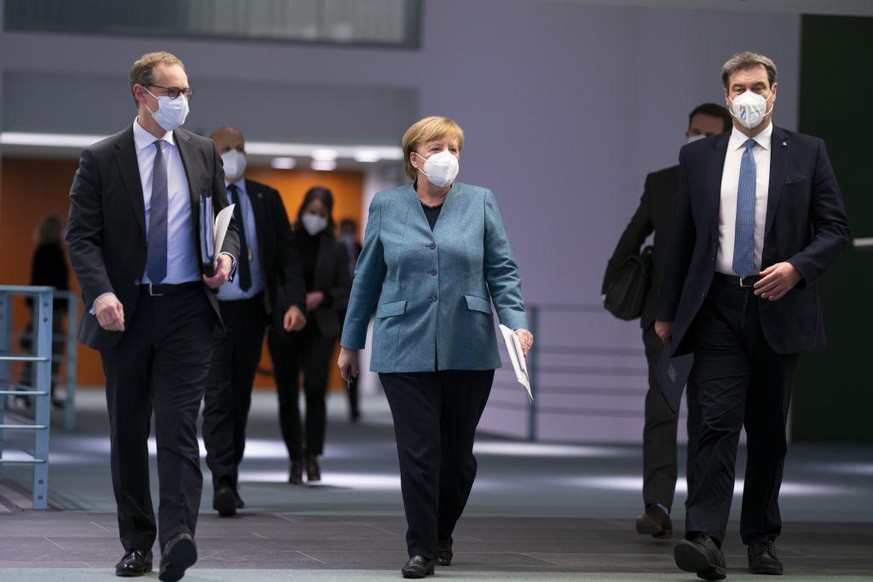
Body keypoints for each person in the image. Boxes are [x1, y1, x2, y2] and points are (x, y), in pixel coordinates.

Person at [655, 52, 850, 580]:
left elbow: (835, 228)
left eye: (757, 86)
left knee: (767, 433)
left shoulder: (807, 153)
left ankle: (761, 539)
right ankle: (704, 538)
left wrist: (797, 269)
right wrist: (666, 309)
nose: (748, 95)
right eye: (738, 87)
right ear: (726, 96)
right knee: (713, 424)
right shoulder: (698, 157)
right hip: (716, 305)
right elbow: (681, 236)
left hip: (778, 304)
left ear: (774, 92)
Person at [65, 51, 239, 582]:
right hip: (127, 314)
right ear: (141, 94)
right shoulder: (101, 158)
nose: (182, 102)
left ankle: (178, 538)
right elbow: (81, 237)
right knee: (128, 432)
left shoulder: (203, 152)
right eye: (172, 93)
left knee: (181, 429)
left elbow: (226, 223)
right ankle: (138, 541)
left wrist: (226, 258)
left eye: (186, 92)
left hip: (188, 309)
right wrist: (100, 293)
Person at [337, 116, 534, 579]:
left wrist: (517, 324)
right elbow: (366, 278)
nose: (448, 155)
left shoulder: (480, 201)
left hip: (469, 341)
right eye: (437, 146)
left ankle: (442, 530)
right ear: (415, 158)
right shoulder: (386, 205)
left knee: (458, 458)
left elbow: (502, 271)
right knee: (418, 450)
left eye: (455, 147)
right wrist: (350, 344)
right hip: (402, 343)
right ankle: (421, 547)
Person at [602, 103, 731, 539]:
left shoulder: (738, 185)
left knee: (708, 417)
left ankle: (702, 512)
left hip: (720, 319)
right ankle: (656, 506)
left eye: (710, 135)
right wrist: (621, 285)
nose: (698, 139)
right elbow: (630, 238)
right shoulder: (662, 183)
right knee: (663, 408)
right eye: (694, 130)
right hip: (667, 320)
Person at [202, 126, 307, 517]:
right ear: (212, 154)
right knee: (217, 395)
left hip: (251, 311)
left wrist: (294, 302)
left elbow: (287, 258)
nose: (236, 154)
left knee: (240, 396)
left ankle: (232, 471)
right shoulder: (202, 196)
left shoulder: (266, 198)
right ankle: (222, 478)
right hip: (211, 312)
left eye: (241, 148)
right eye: (228, 149)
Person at [268, 187, 352, 484]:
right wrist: (292, 301)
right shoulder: (286, 241)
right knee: (287, 392)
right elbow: (274, 281)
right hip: (287, 324)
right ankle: (294, 457)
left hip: (321, 326)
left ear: (328, 216)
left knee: (316, 387)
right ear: (302, 209)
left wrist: (324, 297)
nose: (314, 217)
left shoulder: (336, 247)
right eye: (310, 211)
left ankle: (312, 455)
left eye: (321, 213)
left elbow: (347, 287)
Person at [18, 213, 70, 409]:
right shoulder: (50, 252)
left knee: (43, 347)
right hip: (50, 307)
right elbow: (52, 281)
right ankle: (38, 388)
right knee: (50, 347)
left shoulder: (46, 250)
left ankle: (32, 387)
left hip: (47, 307)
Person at [336, 217, 363, 422]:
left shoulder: (360, 247)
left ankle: (353, 406)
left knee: (353, 361)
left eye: (349, 229)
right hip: (333, 310)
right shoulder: (332, 249)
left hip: (353, 311)